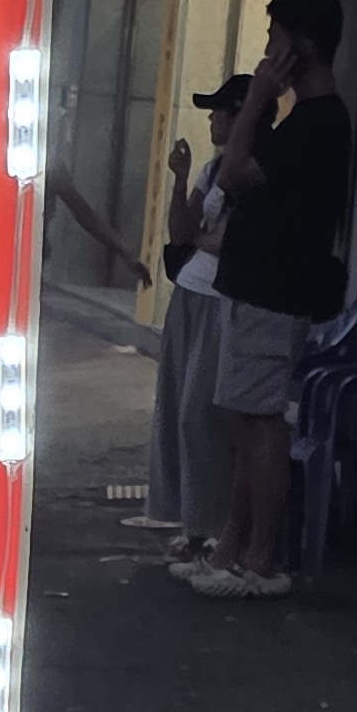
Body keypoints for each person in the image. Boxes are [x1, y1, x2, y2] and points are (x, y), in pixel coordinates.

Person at [189, 0, 355, 599]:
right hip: (256, 283)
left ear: (300, 48)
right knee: (244, 417)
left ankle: (261, 560)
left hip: (275, 287)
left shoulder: (318, 122)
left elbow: (234, 174)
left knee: (261, 421)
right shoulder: (305, 120)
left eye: (274, 39)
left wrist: (259, 97)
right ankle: (232, 547)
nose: (265, 52)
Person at [148, 79, 241, 563]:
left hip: (220, 299)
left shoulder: (251, 173)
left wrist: (206, 238)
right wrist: (182, 179)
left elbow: (231, 243)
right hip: (190, 290)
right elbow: (185, 232)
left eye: (219, 112)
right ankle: (190, 521)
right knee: (174, 406)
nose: (211, 120)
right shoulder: (213, 168)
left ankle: (212, 523)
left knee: (198, 413)